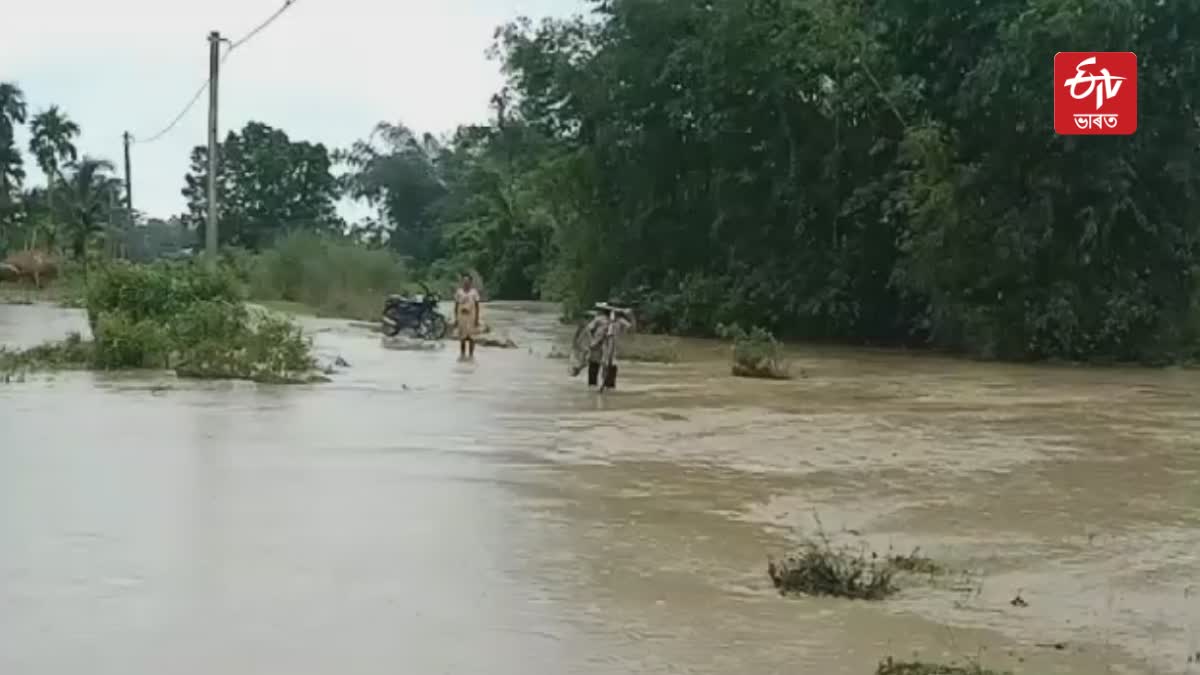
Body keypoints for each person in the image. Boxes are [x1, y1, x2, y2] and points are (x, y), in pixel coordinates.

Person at [584, 302, 634, 389]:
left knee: (611, 371)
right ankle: (592, 388)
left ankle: (608, 387)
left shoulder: (620, 321)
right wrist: (592, 341)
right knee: (593, 369)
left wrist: (631, 316)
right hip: (597, 347)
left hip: (611, 349)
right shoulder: (599, 319)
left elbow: (631, 329)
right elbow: (588, 330)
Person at [453, 274, 481, 360]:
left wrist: (477, 319)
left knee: (472, 338)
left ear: (471, 282)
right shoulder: (459, 292)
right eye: (464, 281)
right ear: (462, 282)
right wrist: (456, 319)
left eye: (467, 281)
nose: (466, 283)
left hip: (471, 317)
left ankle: (471, 356)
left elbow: (477, 306)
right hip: (461, 317)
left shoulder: (474, 292)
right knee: (462, 338)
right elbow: (456, 306)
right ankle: (462, 355)